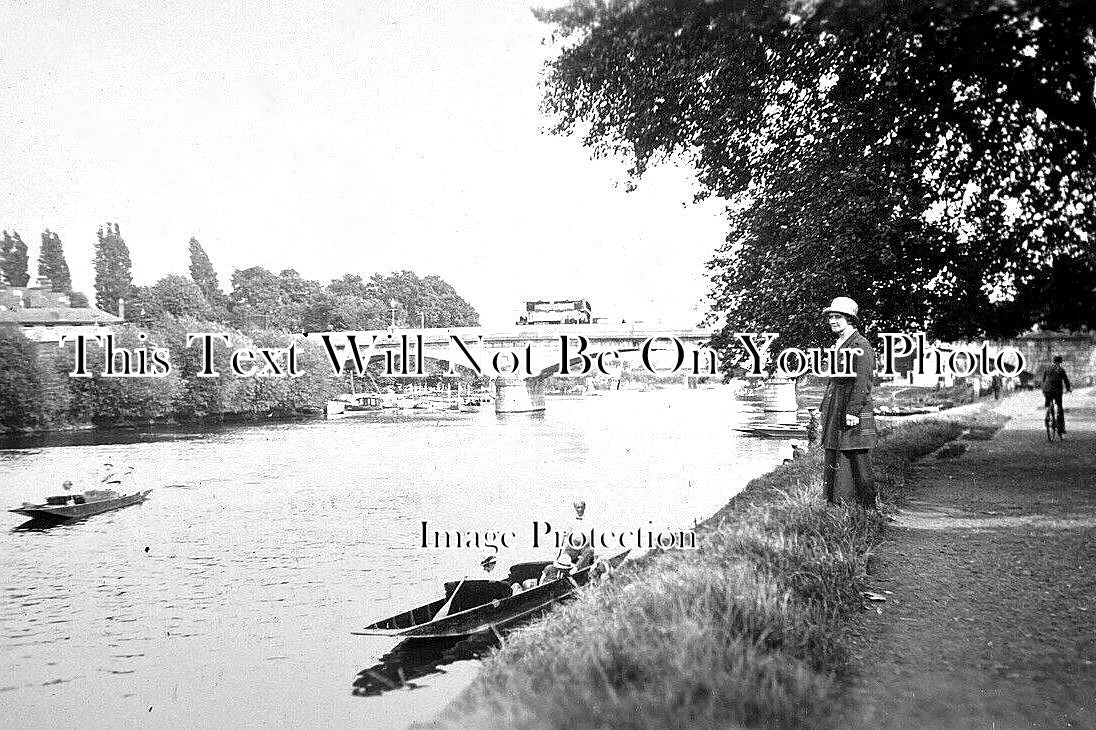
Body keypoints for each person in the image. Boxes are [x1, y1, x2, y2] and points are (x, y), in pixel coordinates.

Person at [818, 297, 878, 509]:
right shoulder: (839, 344)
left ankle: (868, 509)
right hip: (836, 406)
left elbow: (863, 381)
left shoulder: (860, 344)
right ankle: (841, 505)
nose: (833, 321)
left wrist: (853, 410)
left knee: (857, 458)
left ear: (850, 319)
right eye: (831, 317)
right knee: (836, 454)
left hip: (853, 408)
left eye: (838, 317)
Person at [1041, 355, 1072, 435]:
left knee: (1048, 402)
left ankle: (1047, 414)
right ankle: (1061, 428)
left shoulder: (1047, 368)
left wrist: (1043, 388)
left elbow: (1043, 380)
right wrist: (1068, 388)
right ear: (1060, 362)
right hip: (1057, 391)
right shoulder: (1061, 370)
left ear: (1053, 361)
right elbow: (1066, 380)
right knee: (1060, 408)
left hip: (1046, 390)